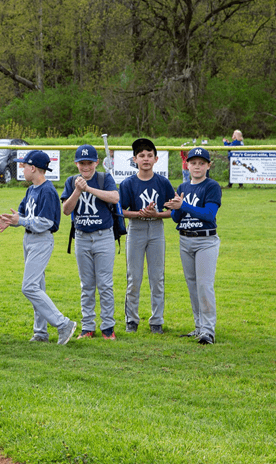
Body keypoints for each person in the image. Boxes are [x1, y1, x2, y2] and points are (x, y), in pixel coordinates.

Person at [0, 150, 78, 345]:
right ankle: (40, 333)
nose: (21, 168)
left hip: (41, 240)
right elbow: (22, 215)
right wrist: (11, 221)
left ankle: (63, 323)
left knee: (29, 286)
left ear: (33, 168)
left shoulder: (47, 190)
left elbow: (46, 222)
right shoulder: (31, 189)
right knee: (37, 286)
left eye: (23, 165)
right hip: (29, 239)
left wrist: (20, 220)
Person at [60, 144, 120, 339]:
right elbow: (66, 210)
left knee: (105, 284)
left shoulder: (104, 178)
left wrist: (89, 189)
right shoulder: (71, 181)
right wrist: (78, 190)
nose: (86, 167)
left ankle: (108, 327)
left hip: (103, 236)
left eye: (89, 163)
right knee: (86, 285)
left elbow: (114, 197)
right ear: (76, 164)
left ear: (96, 162)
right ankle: (88, 327)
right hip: (82, 237)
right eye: (82, 163)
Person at [118, 138, 176, 334]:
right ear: (135, 159)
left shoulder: (163, 182)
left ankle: (156, 321)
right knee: (134, 277)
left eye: (149, 155)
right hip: (136, 229)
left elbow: (174, 211)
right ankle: (131, 320)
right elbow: (121, 211)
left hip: (156, 229)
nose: (145, 159)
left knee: (157, 277)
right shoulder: (128, 183)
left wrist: (157, 214)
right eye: (141, 155)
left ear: (156, 159)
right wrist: (139, 213)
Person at [165, 147, 222, 345]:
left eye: (201, 163)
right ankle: (198, 326)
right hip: (185, 239)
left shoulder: (211, 186)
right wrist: (174, 207)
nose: (197, 166)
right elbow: (176, 218)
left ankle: (208, 330)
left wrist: (184, 206)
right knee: (192, 285)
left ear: (208, 166)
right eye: (193, 163)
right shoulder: (182, 187)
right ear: (187, 165)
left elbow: (209, 215)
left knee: (205, 286)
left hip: (205, 240)